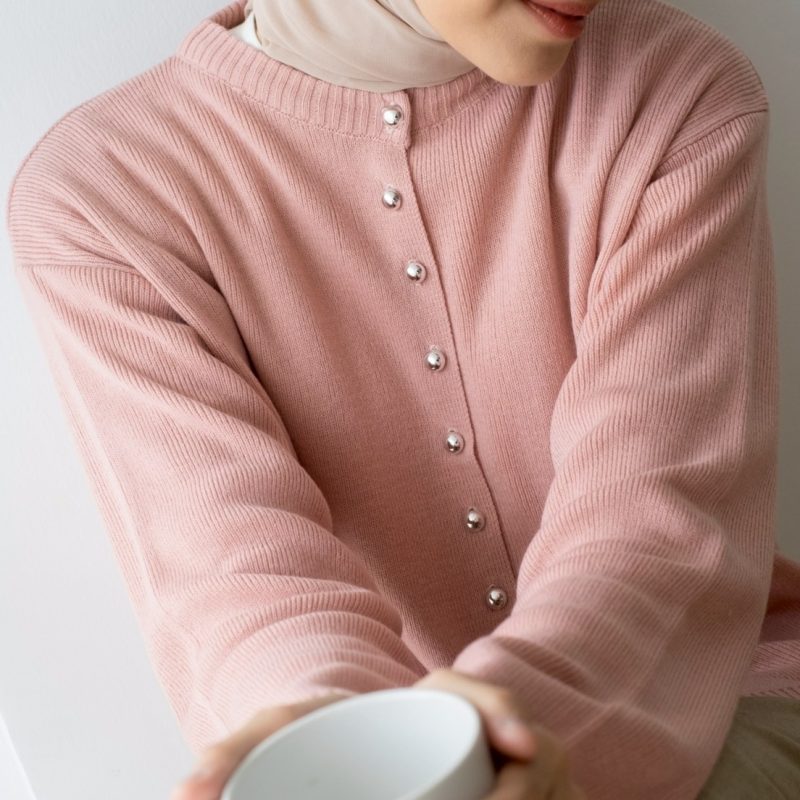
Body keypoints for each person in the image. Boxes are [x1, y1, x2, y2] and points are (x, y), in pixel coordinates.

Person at [7, 1, 800, 798]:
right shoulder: (102, 199)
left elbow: (655, 522)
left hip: (715, 703)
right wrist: (348, 750)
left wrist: (489, 746)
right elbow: (241, 590)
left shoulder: (672, 89)